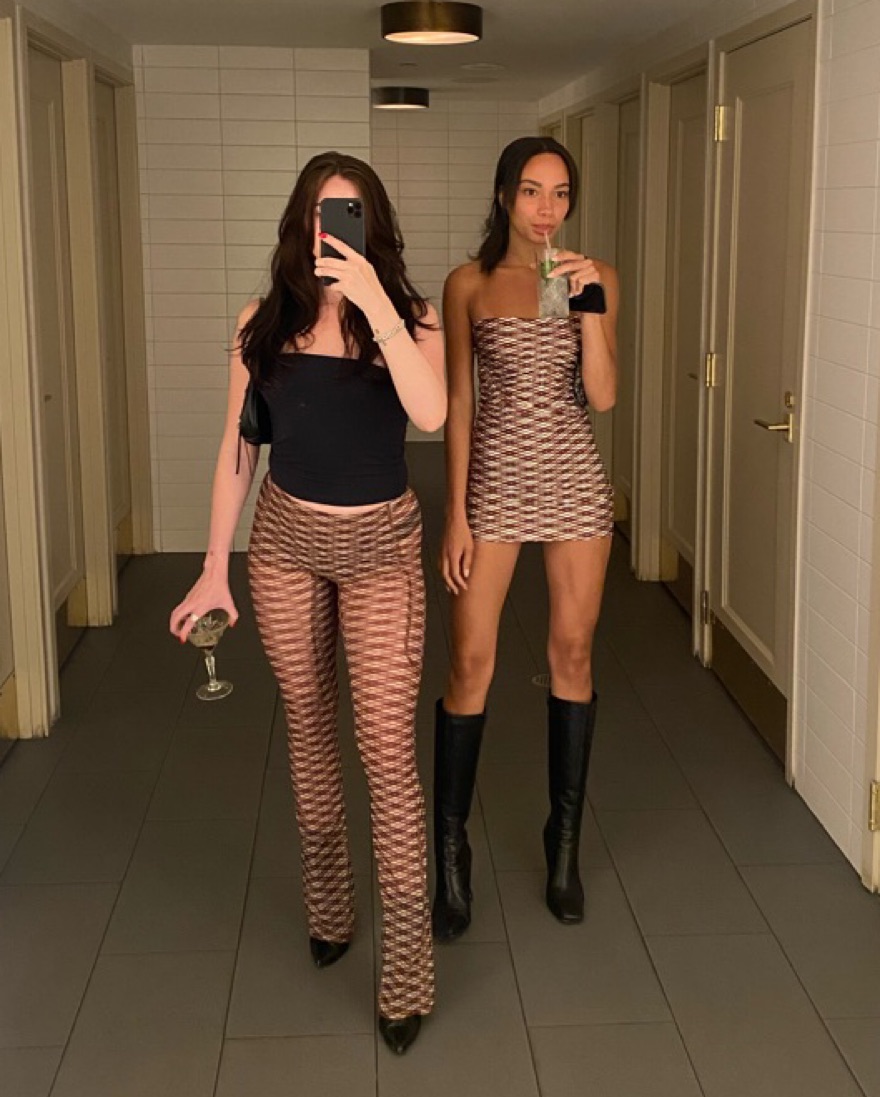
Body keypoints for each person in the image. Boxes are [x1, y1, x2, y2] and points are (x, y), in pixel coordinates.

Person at [169, 152, 446, 1054]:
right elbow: (238, 447)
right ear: (300, 223)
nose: (335, 228)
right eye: (324, 214)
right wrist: (214, 566)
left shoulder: (413, 317)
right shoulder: (260, 323)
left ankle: (405, 978)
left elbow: (432, 414)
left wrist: (373, 302)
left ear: (375, 226)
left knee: (387, 750)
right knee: (310, 730)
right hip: (286, 542)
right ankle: (331, 913)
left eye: (352, 213)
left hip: (381, 549)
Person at [433, 135, 618, 942]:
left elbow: (602, 396)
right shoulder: (469, 284)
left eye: (562, 192)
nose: (548, 208)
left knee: (572, 652)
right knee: (470, 662)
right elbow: (460, 405)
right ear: (505, 195)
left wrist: (590, 305)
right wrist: (455, 513)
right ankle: (450, 853)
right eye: (533, 191)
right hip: (496, 481)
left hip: (574, 478)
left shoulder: (594, 275)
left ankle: (563, 845)